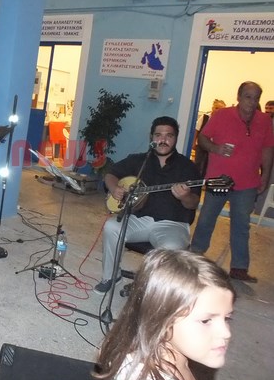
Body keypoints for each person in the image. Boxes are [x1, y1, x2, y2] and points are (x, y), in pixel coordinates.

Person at [94, 249, 235, 380]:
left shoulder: (176, 360)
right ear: (161, 319)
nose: (226, 333)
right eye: (206, 321)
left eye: (227, 318)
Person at [95, 116, 202, 294]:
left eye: (169, 136)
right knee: (111, 226)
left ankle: (152, 291)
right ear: (151, 137)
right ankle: (111, 276)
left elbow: (193, 203)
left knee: (171, 248)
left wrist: (185, 196)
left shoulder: (187, 167)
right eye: (158, 135)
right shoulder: (139, 160)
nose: (163, 140)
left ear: (176, 138)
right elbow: (110, 174)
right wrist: (114, 188)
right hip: (139, 219)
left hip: (173, 223)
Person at [190, 81, 274, 283]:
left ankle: (239, 268)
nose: (251, 102)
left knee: (241, 225)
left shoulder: (264, 121)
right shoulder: (221, 115)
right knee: (207, 218)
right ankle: (194, 257)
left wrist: (265, 175)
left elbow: (267, 149)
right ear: (238, 97)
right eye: (248, 97)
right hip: (218, 179)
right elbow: (203, 139)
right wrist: (216, 148)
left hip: (247, 182)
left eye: (256, 98)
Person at [193, 99, 225, 177]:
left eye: (221, 109)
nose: (218, 110)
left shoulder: (222, 121)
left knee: (208, 165)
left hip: (212, 147)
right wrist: (193, 143)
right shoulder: (204, 117)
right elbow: (196, 130)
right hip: (201, 146)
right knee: (198, 164)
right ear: (213, 107)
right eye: (216, 108)